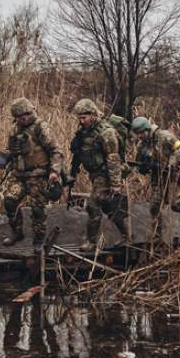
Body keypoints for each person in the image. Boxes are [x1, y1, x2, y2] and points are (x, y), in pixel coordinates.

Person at [0, 97, 64, 248]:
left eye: (27, 114)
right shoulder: (15, 130)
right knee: (9, 201)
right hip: (19, 174)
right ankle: (17, 232)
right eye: (21, 116)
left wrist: (55, 171)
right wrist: (3, 159)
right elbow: (10, 149)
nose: (25, 118)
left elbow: (56, 151)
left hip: (38, 175)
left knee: (37, 209)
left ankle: (39, 241)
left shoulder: (41, 127)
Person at [69, 98, 127, 252]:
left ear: (93, 115)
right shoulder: (86, 131)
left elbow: (113, 159)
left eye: (84, 117)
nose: (81, 121)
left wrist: (116, 184)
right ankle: (127, 235)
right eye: (79, 118)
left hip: (106, 174)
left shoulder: (106, 132)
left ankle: (92, 242)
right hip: (96, 175)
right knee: (109, 208)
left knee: (93, 205)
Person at [130, 116, 180, 244]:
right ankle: (157, 235)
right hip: (158, 177)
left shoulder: (164, 136)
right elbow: (140, 165)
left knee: (175, 204)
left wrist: (172, 162)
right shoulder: (141, 145)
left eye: (141, 133)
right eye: (137, 134)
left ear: (147, 129)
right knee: (154, 206)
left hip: (173, 175)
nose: (139, 136)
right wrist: (142, 167)